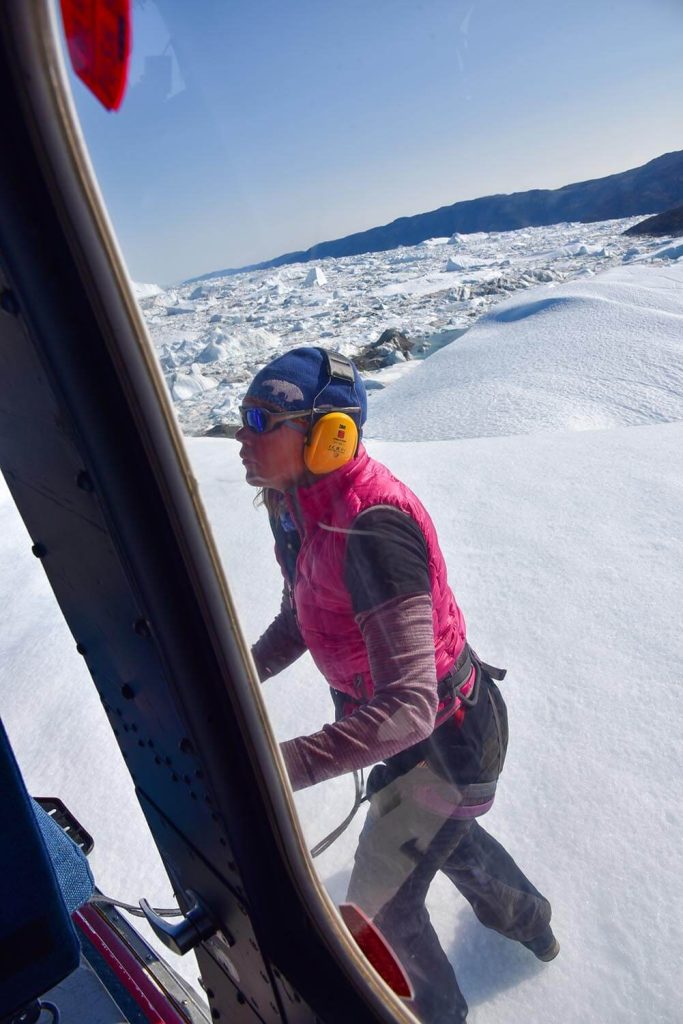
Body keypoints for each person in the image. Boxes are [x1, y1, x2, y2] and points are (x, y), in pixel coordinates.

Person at [236, 346, 557, 1023]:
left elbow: (409, 707)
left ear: (331, 436)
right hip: (422, 738)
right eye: (245, 415)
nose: (244, 435)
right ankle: (532, 925)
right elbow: (303, 614)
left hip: (449, 741)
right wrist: (234, 673)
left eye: (263, 419)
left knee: (381, 909)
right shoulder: (297, 505)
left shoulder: (372, 526)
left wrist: (275, 767)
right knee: (448, 842)